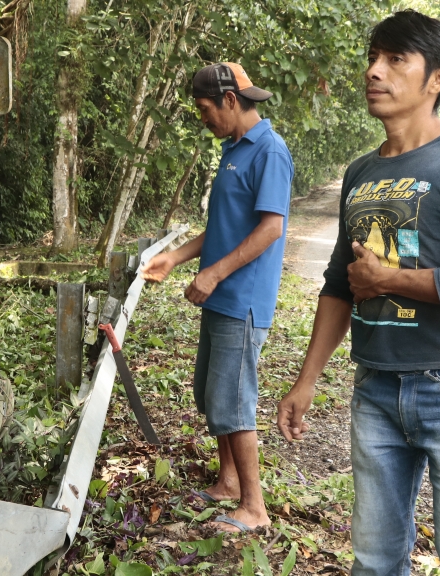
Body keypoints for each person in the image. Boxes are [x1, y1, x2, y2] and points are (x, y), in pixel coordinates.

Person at [275, 11, 440, 575]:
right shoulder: (360, 173)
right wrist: (305, 382)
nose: (374, 72)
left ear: (439, 79)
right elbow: (340, 284)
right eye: (372, 58)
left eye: (395, 60)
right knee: (375, 557)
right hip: (377, 386)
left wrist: (389, 281)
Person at [141, 62, 293, 532]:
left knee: (234, 400)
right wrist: (177, 258)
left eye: (205, 109)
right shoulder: (233, 149)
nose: (202, 118)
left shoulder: (268, 150)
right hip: (220, 294)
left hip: (242, 296)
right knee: (212, 395)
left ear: (230, 100)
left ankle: (255, 508)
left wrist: (214, 273)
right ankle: (228, 482)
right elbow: (226, 227)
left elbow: (271, 228)